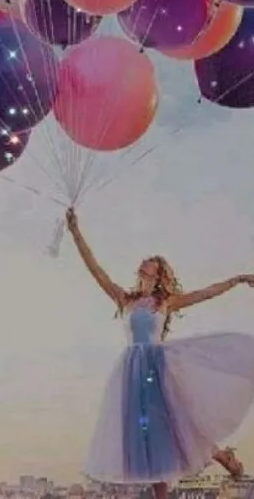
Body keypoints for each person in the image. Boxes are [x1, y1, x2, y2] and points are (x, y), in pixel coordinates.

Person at [66, 208, 254, 498]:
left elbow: (206, 293)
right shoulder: (124, 298)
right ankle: (173, 487)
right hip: (131, 370)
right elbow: (95, 269)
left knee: (171, 424)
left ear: (159, 272)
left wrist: (238, 279)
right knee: (146, 434)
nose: (145, 263)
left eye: (151, 263)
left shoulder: (165, 302)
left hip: (157, 367)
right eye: (145, 261)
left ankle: (220, 455)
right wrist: (76, 233)